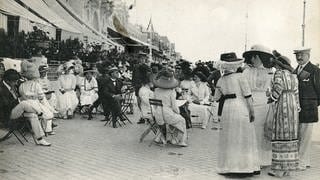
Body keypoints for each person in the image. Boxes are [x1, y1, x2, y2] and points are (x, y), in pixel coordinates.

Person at [213, 52, 259, 175]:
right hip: (241, 107)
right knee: (242, 136)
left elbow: (216, 98)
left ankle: (228, 167)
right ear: (235, 65)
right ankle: (244, 167)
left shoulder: (220, 80)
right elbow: (248, 96)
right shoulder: (240, 77)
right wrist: (252, 111)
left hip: (227, 109)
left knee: (229, 137)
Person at [265, 54, 300, 177]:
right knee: (291, 135)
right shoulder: (294, 75)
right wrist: (297, 106)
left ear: (278, 64)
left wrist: (271, 97)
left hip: (283, 104)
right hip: (293, 107)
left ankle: (278, 169)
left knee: (280, 133)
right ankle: (288, 168)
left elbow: (278, 88)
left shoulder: (279, 73)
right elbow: (296, 93)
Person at [242, 44, 274, 167]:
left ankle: (263, 159)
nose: (252, 60)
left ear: (260, 57)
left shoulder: (270, 71)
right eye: (251, 57)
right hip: (250, 102)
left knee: (264, 131)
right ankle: (251, 159)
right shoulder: (247, 71)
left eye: (254, 57)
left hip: (265, 103)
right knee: (251, 131)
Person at [293, 47, 320, 170]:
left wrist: (313, 103)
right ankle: (305, 160)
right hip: (297, 108)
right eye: (297, 55)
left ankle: (302, 162)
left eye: (302, 55)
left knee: (305, 136)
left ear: (308, 55)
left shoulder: (315, 70)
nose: (299, 57)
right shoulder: (295, 71)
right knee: (299, 135)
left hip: (309, 108)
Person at [18, 61, 55, 136]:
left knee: (43, 111)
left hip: (26, 106)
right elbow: (41, 97)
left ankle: (41, 129)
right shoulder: (36, 85)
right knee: (48, 112)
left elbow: (22, 96)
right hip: (35, 105)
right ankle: (45, 130)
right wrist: (48, 107)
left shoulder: (21, 85)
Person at [152, 69, 188, 147]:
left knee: (173, 120)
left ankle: (163, 138)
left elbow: (155, 105)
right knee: (182, 120)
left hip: (158, 115)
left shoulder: (156, 90)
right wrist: (178, 112)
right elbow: (175, 107)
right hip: (167, 115)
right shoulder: (171, 92)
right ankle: (181, 140)